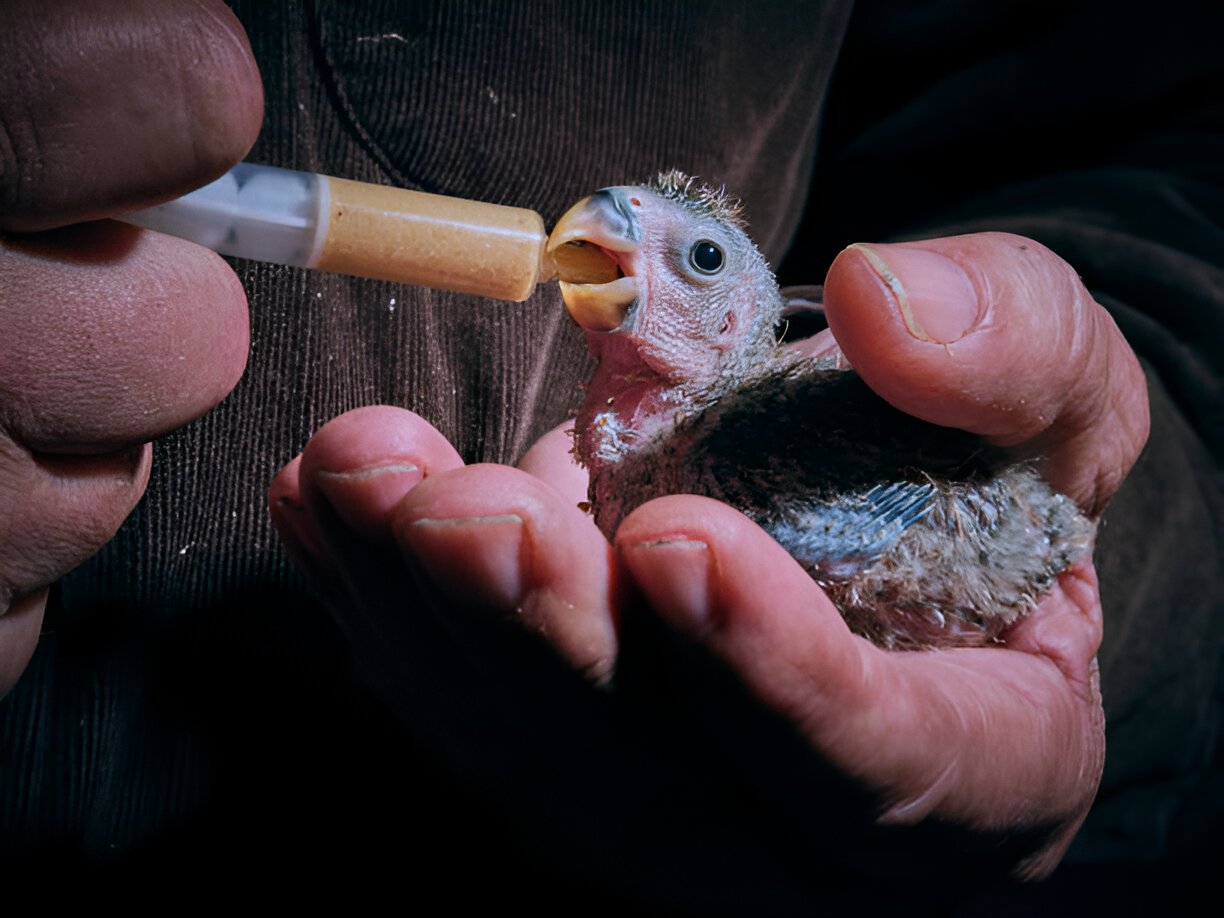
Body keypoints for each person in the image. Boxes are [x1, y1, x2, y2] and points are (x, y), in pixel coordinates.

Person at [1, 0, 1219, 908]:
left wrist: (1127, 521)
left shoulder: (756, 441)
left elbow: (1163, 180)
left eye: (698, 261)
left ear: (746, 321)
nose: (611, 234)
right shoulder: (669, 442)